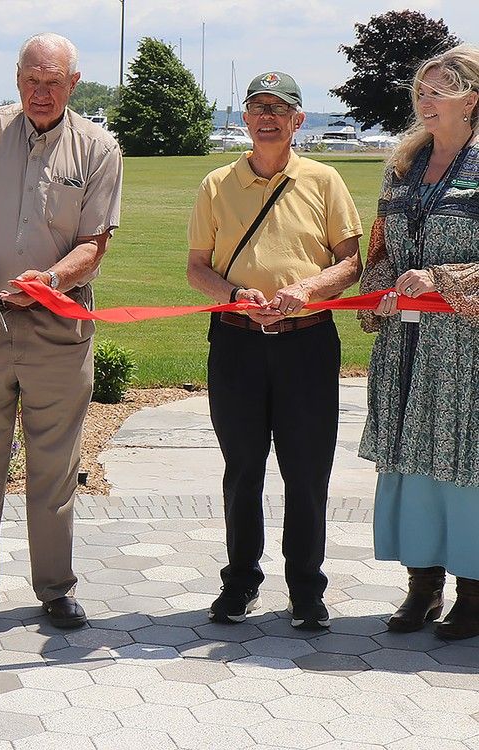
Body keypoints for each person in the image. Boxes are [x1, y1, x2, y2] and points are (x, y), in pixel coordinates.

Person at [0, 33, 122, 629]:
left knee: (54, 467)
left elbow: (95, 245)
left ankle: (55, 588)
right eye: (32, 80)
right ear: (17, 79)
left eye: (54, 81)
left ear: (73, 83)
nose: (42, 92)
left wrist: (55, 278)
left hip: (57, 331)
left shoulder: (98, 147)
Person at [187, 71, 363, 629]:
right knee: (243, 469)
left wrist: (306, 290)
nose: (267, 117)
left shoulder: (324, 180)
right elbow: (197, 268)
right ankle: (240, 583)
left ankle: (306, 590)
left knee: (307, 471)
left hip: (306, 344)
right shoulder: (217, 184)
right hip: (236, 344)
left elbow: (351, 262)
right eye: (257, 107)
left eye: (279, 109)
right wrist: (236, 296)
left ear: (297, 120)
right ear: (245, 118)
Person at [359, 45, 479, 640]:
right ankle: (421, 587)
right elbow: (379, 250)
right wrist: (381, 288)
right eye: (422, 89)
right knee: (410, 468)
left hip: (465, 353)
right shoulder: (401, 167)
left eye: (442, 87)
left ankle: (474, 593)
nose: (426, 98)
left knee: (462, 468)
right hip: (405, 349)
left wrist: (444, 280)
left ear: (472, 98)